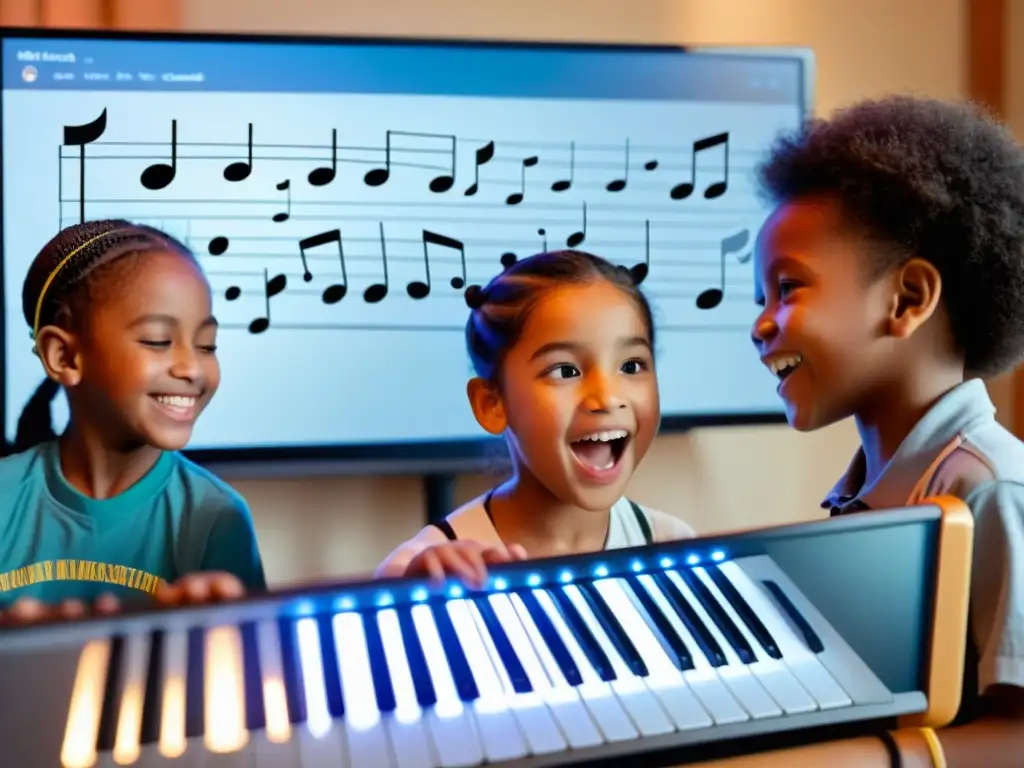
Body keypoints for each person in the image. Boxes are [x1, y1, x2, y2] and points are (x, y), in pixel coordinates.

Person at [749, 95, 1024, 766]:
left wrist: (868, 759)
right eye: (762, 299)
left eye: (787, 289)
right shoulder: (862, 497)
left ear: (906, 300)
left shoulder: (994, 489)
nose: (761, 326)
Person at [0, 219, 266, 624]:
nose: (192, 368)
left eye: (206, 345)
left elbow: (250, 671)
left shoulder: (217, 519)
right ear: (64, 357)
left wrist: (212, 635)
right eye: (158, 340)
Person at [376, 249, 695, 585]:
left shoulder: (673, 544)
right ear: (492, 404)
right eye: (565, 370)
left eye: (631, 366)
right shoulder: (418, 570)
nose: (608, 398)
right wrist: (418, 600)